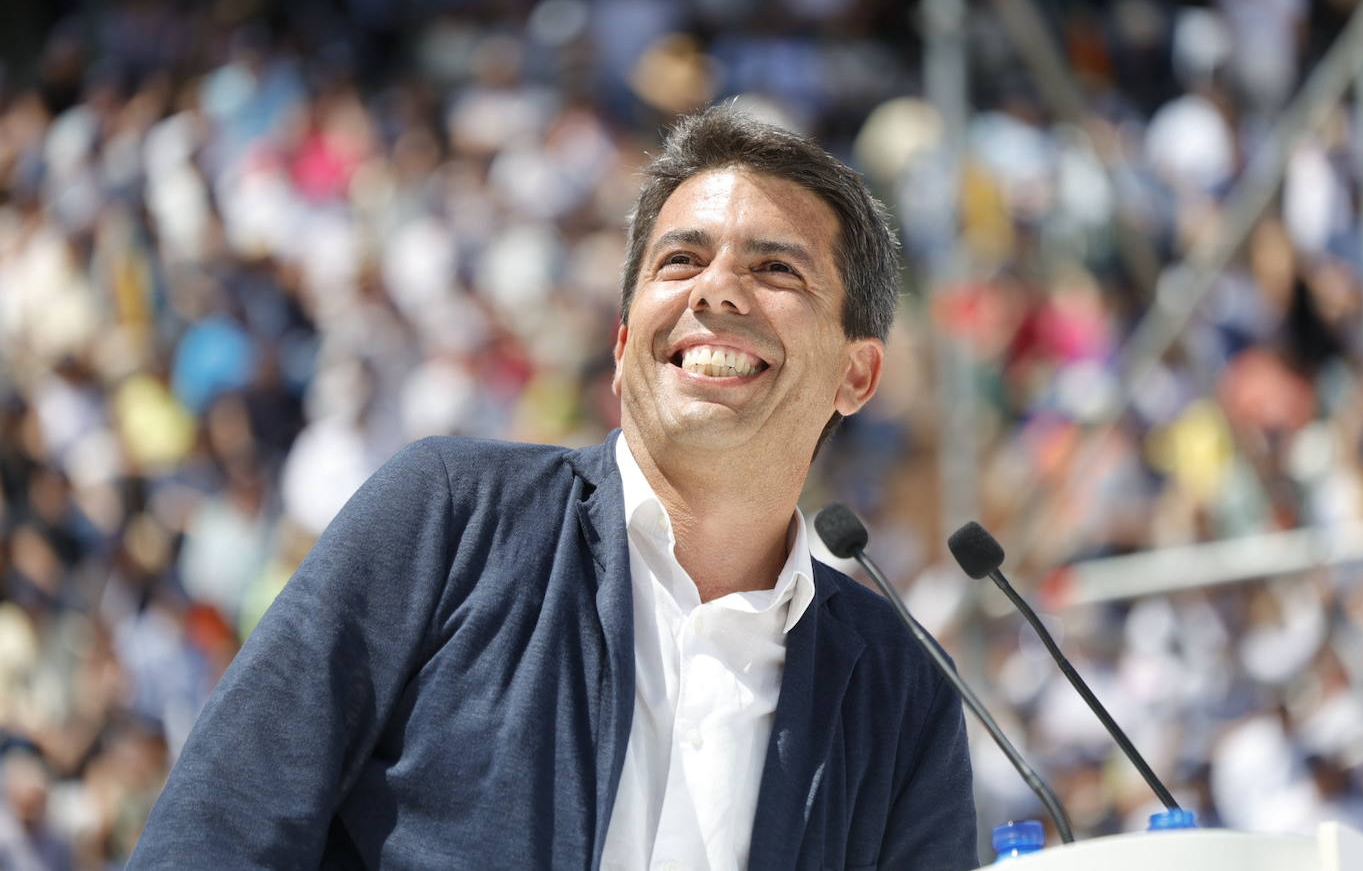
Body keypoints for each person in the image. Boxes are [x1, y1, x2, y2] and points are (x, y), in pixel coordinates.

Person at [130, 107, 977, 869]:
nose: (716, 289)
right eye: (681, 259)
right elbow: (216, 834)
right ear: (621, 342)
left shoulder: (904, 692)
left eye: (776, 270)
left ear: (857, 375)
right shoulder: (447, 517)